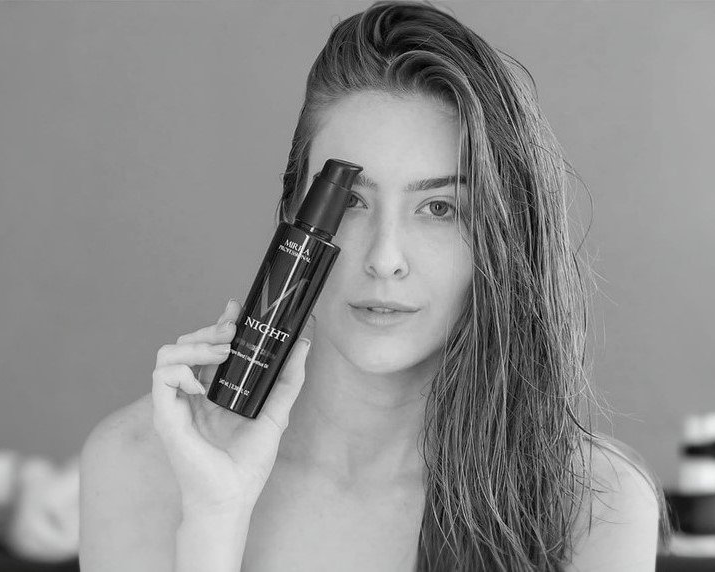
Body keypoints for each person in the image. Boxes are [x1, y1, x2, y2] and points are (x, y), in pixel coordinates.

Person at [79, 1, 667, 570]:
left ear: (501, 237)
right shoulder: (141, 463)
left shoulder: (594, 505)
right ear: (293, 213)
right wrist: (214, 515)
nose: (385, 260)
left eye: (439, 208)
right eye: (352, 202)